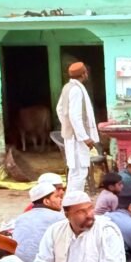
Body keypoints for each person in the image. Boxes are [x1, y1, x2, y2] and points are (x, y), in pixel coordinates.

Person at [56, 62, 100, 192]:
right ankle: (74, 201)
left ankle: (71, 200)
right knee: (80, 171)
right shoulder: (76, 90)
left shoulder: (67, 87)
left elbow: (60, 109)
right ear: (83, 74)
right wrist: (84, 137)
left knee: (75, 171)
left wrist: (67, 125)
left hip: (73, 135)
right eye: (86, 72)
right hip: (77, 138)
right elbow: (75, 115)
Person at [14, 181, 66, 262]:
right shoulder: (59, 218)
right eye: (56, 197)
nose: (60, 199)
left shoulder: (21, 217)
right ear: (46, 201)